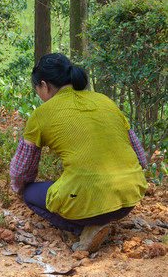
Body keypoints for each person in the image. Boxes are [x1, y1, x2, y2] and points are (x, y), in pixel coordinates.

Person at [10, 53, 148, 253]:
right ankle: (97, 219)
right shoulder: (106, 101)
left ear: (44, 85)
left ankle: (83, 228)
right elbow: (141, 159)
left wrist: (19, 190)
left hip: (88, 205)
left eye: (37, 89)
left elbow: (21, 173)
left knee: (30, 193)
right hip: (129, 198)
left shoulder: (42, 114)